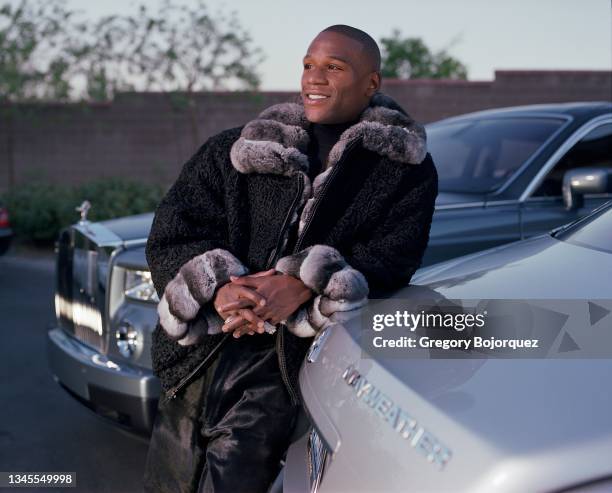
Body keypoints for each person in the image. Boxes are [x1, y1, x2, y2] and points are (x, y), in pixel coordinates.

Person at [142, 24, 438, 493]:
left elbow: (394, 257)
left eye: (333, 67)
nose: (313, 78)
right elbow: (173, 232)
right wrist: (220, 290)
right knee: (167, 483)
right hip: (198, 358)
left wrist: (303, 283)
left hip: (288, 369)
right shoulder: (234, 150)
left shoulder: (404, 170)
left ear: (372, 83)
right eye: (308, 65)